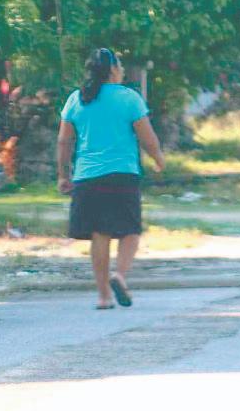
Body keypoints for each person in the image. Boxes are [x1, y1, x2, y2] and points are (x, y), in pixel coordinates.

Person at [57, 48, 167, 310]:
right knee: (130, 230)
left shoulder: (77, 99)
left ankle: (104, 296)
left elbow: (64, 140)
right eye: (120, 66)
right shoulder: (129, 98)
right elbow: (147, 137)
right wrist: (159, 159)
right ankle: (120, 275)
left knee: (99, 234)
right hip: (122, 174)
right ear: (114, 70)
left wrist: (63, 174)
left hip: (87, 176)